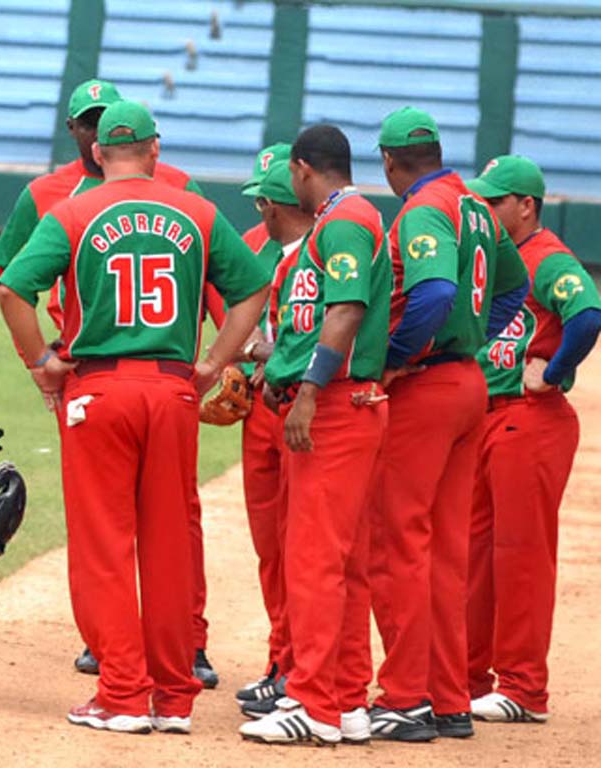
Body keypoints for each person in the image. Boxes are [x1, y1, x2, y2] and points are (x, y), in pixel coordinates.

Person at [0, 100, 268, 734]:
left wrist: (41, 360)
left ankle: (121, 693)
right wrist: (212, 362)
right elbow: (252, 288)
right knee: (169, 544)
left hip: (99, 390)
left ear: (96, 153)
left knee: (104, 548)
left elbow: (12, 287)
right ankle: (174, 696)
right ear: (154, 149)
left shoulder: (71, 210)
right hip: (173, 391)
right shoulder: (196, 209)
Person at [369, 107, 529, 741]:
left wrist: (403, 356)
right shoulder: (478, 209)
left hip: (428, 388)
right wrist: (470, 338)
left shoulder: (424, 210)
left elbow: (433, 292)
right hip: (469, 385)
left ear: (388, 162)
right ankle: (449, 697)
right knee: (446, 546)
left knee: (400, 540)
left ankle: (405, 696)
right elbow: (513, 291)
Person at [239, 125, 391, 745]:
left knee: (315, 561)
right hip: (342, 402)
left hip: (334, 406)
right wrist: (280, 371)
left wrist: (305, 389)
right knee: (343, 563)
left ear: (302, 169)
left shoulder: (347, 218)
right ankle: (348, 696)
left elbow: (347, 309)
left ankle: (315, 702)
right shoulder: (340, 220)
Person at [465, 155, 601, 723]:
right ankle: (467, 676)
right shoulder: (497, 260)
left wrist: (555, 369)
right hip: (485, 418)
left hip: (530, 419)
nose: (486, 210)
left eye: (496, 202)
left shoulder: (546, 258)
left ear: (526, 206)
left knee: (519, 555)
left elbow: (588, 313)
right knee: (473, 554)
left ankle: (523, 688)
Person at [232, 144, 297, 708]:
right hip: (259, 412)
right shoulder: (254, 248)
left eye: (266, 201)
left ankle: (309, 671)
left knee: (308, 547)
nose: (260, 212)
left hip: (302, 408)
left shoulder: (330, 246)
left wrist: (265, 353)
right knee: (271, 546)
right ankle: (283, 659)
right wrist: (237, 358)